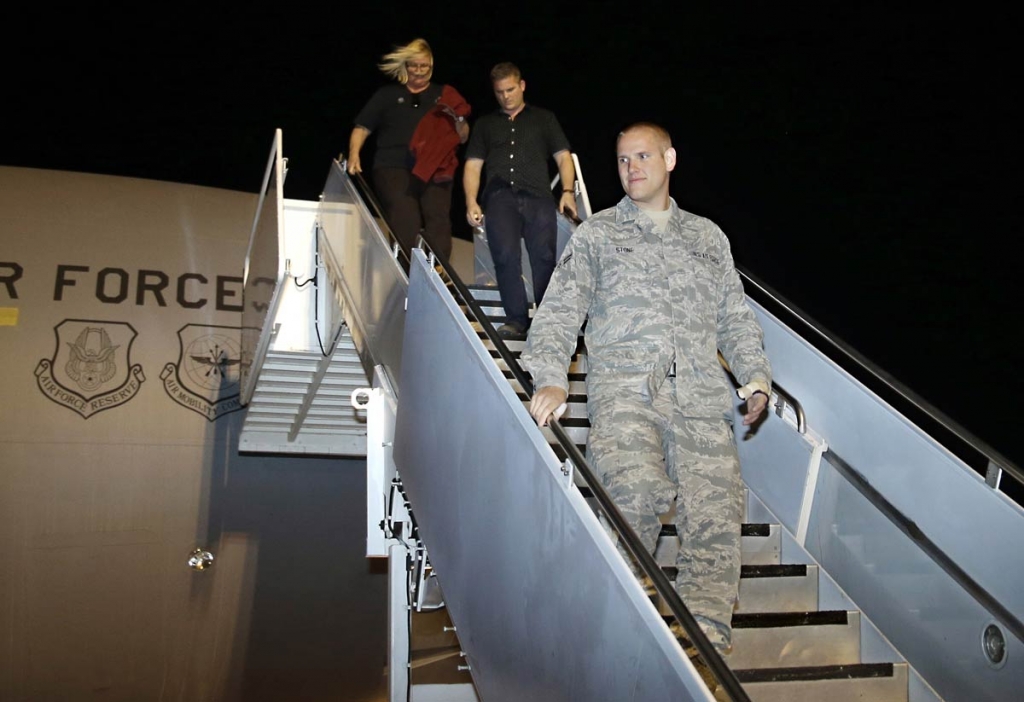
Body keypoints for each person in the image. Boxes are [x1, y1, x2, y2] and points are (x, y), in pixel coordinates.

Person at [521, 123, 772, 658]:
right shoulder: (599, 235)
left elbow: (734, 315)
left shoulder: (708, 238)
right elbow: (561, 309)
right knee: (633, 496)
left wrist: (754, 375)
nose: (631, 168)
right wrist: (550, 375)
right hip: (626, 397)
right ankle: (611, 627)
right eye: (621, 159)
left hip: (701, 403)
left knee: (716, 522)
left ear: (670, 159)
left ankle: (702, 656)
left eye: (642, 156)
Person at [463, 62, 577, 338]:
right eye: (500, 92)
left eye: (511, 89)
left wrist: (567, 192)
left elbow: (563, 157)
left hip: (538, 197)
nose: (506, 96)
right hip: (500, 198)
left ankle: (549, 321)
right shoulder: (485, 125)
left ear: (522, 85)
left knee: (544, 257)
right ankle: (516, 320)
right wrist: (471, 202)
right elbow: (473, 165)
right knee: (505, 257)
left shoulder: (544, 119)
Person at [348, 39, 470, 261]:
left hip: (435, 167)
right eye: (414, 65)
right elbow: (362, 128)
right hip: (393, 166)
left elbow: (462, 137)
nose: (419, 71)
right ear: (405, 66)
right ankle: (407, 269)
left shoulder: (443, 95)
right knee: (405, 219)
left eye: (425, 66)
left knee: (438, 218)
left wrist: (459, 120)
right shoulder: (387, 95)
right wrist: (354, 154)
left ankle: (438, 271)